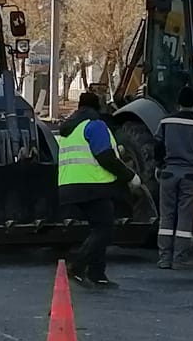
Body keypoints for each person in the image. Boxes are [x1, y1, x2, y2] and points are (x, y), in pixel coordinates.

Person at [56, 91, 140, 289]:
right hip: (93, 186)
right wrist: (130, 176)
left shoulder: (70, 129)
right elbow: (105, 157)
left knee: (100, 227)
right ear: (98, 108)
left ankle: (97, 274)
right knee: (104, 228)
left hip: (70, 186)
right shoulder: (95, 125)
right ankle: (78, 266)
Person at [154, 86, 193, 269]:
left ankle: (164, 258)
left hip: (168, 173)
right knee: (185, 217)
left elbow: (157, 146)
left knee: (167, 216)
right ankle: (179, 259)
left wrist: (159, 165)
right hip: (190, 175)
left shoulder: (166, 121)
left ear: (178, 102)